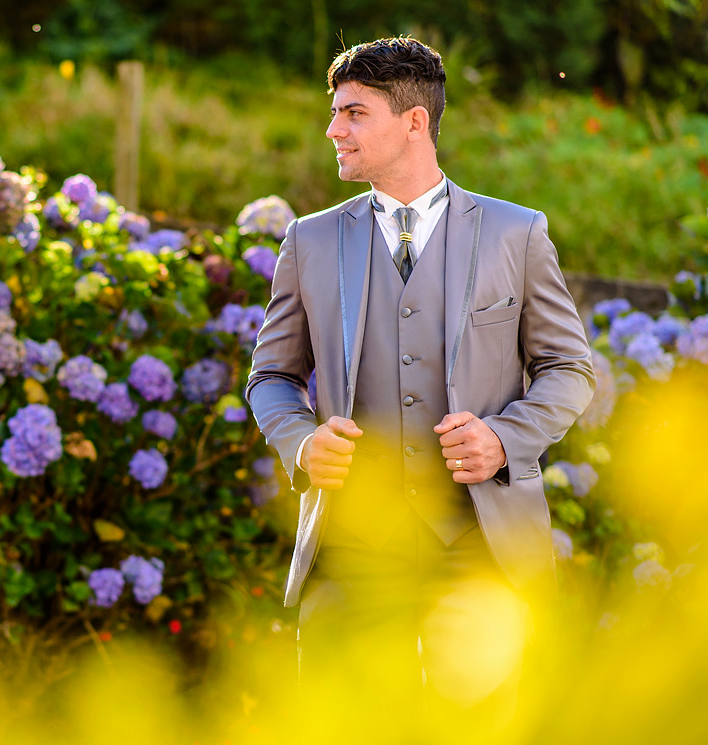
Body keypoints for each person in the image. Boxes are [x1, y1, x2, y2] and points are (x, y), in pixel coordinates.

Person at [245, 38, 595, 710]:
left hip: (478, 544)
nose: (333, 130)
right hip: (352, 549)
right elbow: (272, 377)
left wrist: (503, 437)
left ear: (414, 123)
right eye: (335, 112)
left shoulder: (514, 233)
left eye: (353, 113)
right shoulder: (310, 241)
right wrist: (299, 441)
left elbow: (568, 367)